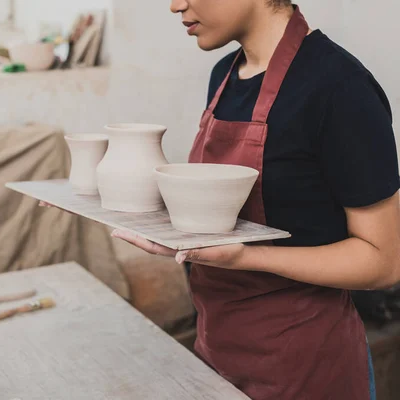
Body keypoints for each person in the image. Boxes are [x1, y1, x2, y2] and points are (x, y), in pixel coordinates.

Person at [109, 1, 400, 399]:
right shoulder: (223, 77)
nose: (176, 5)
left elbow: (385, 262)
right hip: (216, 351)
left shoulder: (338, 86)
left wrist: (245, 256)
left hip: (304, 368)